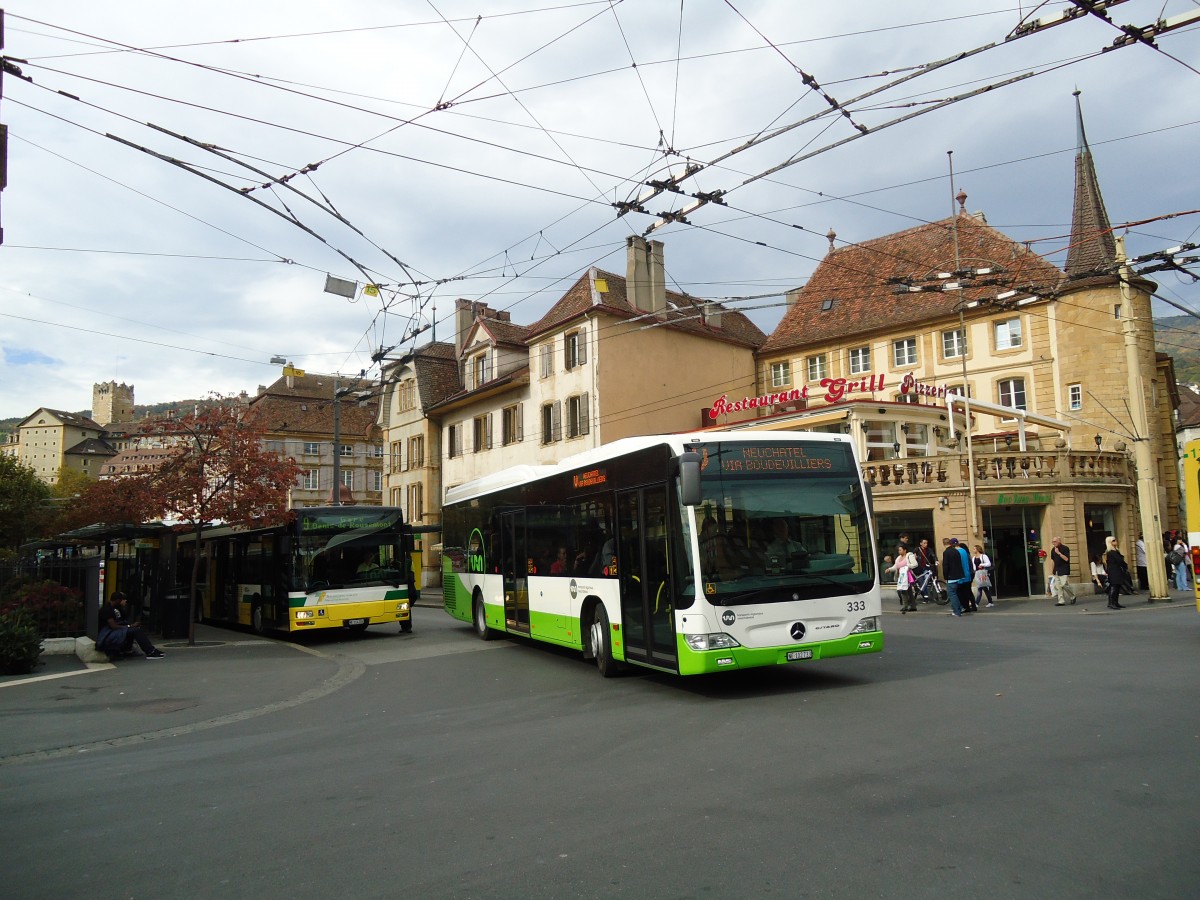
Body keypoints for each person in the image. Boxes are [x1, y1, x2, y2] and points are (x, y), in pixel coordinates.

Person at [97, 591, 165, 661]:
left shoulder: (118, 609)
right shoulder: (107, 609)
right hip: (108, 633)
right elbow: (113, 626)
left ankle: (128, 650)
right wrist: (129, 626)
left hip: (114, 631)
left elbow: (122, 621)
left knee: (133, 629)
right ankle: (150, 652)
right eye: (122, 600)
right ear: (117, 600)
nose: (125, 601)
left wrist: (130, 625)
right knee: (135, 630)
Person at [941, 537, 971, 616]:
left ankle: (957, 611)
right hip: (959, 575)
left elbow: (945, 565)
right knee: (956, 593)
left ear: (944, 544)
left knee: (952, 594)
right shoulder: (956, 551)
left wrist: (945, 576)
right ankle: (960, 607)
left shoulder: (946, 552)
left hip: (951, 577)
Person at [884, 545, 918, 613]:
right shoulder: (898, 558)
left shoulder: (909, 556)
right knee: (905, 590)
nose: (899, 551)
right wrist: (889, 569)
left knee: (906, 590)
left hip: (907, 575)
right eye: (899, 550)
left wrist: (907, 566)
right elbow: (895, 566)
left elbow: (915, 564)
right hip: (901, 576)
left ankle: (907, 605)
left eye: (900, 550)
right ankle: (911, 605)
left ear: (905, 550)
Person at [1104, 537, 1130, 610]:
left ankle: (1115, 602)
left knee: (1117, 586)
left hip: (1117, 570)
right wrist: (1124, 565)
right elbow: (1119, 560)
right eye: (1113, 540)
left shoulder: (1116, 551)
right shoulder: (1110, 552)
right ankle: (1111, 603)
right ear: (1110, 542)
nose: (1115, 541)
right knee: (1114, 586)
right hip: (1113, 571)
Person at [1050, 537, 1075, 606]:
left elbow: (1066, 559)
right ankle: (1061, 601)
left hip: (1064, 569)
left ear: (1059, 541)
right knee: (1058, 586)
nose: (1053, 543)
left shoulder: (1065, 548)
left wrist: (1058, 553)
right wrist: (1052, 570)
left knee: (1064, 584)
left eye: (1055, 541)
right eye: (1053, 541)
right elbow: (1053, 560)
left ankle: (1073, 596)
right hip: (1056, 570)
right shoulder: (1053, 550)